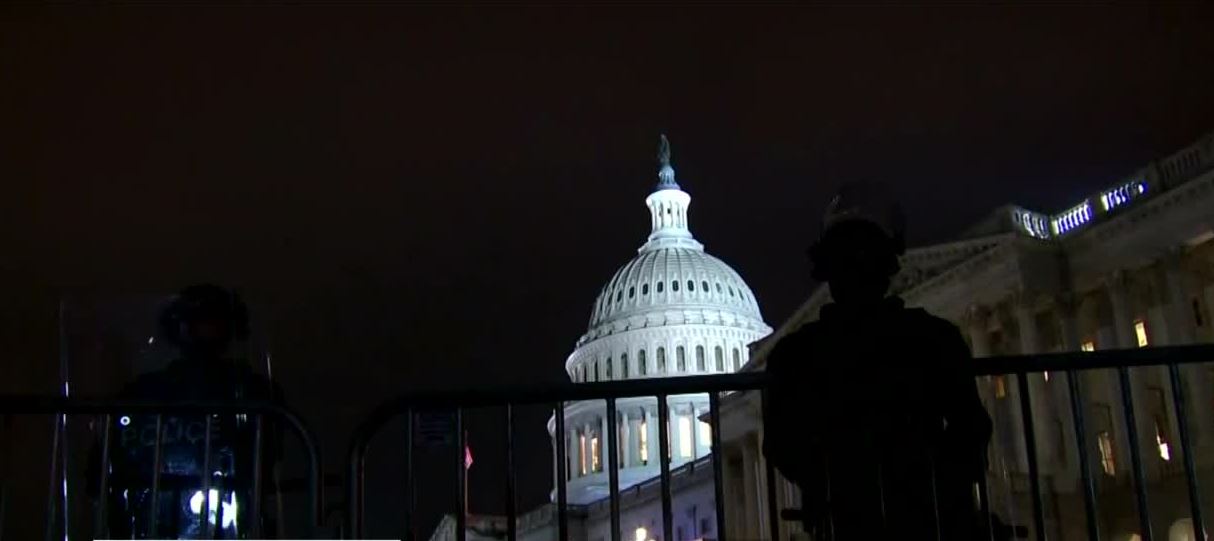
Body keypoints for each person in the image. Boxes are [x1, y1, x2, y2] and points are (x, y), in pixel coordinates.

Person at [763, 183, 993, 540]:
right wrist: (940, 487)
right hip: (923, 518)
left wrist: (828, 485)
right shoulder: (934, 339)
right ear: (890, 266)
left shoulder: (794, 355)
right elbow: (972, 427)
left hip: (846, 518)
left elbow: (783, 446)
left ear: (825, 272)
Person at [88, 284, 284, 538]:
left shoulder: (252, 391)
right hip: (157, 524)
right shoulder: (143, 392)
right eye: (197, 321)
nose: (204, 330)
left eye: (212, 320)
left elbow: (266, 459)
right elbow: (106, 464)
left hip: (226, 522)